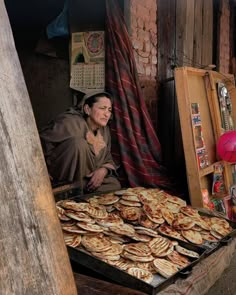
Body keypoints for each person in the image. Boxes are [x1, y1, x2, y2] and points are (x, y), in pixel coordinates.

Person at [40, 91, 121, 193]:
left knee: (114, 185)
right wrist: (42, 173)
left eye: (109, 110)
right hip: (62, 177)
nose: (107, 114)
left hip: (85, 178)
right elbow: (38, 145)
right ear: (87, 109)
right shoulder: (70, 122)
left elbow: (107, 159)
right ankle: (65, 189)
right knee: (78, 144)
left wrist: (103, 170)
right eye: (102, 108)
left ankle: (76, 190)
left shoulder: (105, 131)